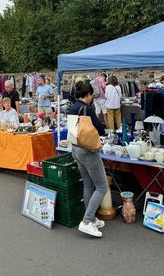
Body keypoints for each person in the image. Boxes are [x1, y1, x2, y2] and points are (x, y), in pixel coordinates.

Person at [68, 80, 107, 238]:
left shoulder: (72, 107)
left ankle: (91, 218)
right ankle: (86, 221)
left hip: (76, 148)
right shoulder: (87, 108)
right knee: (102, 187)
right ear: (89, 94)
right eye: (92, 95)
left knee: (88, 184)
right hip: (88, 150)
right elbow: (100, 129)